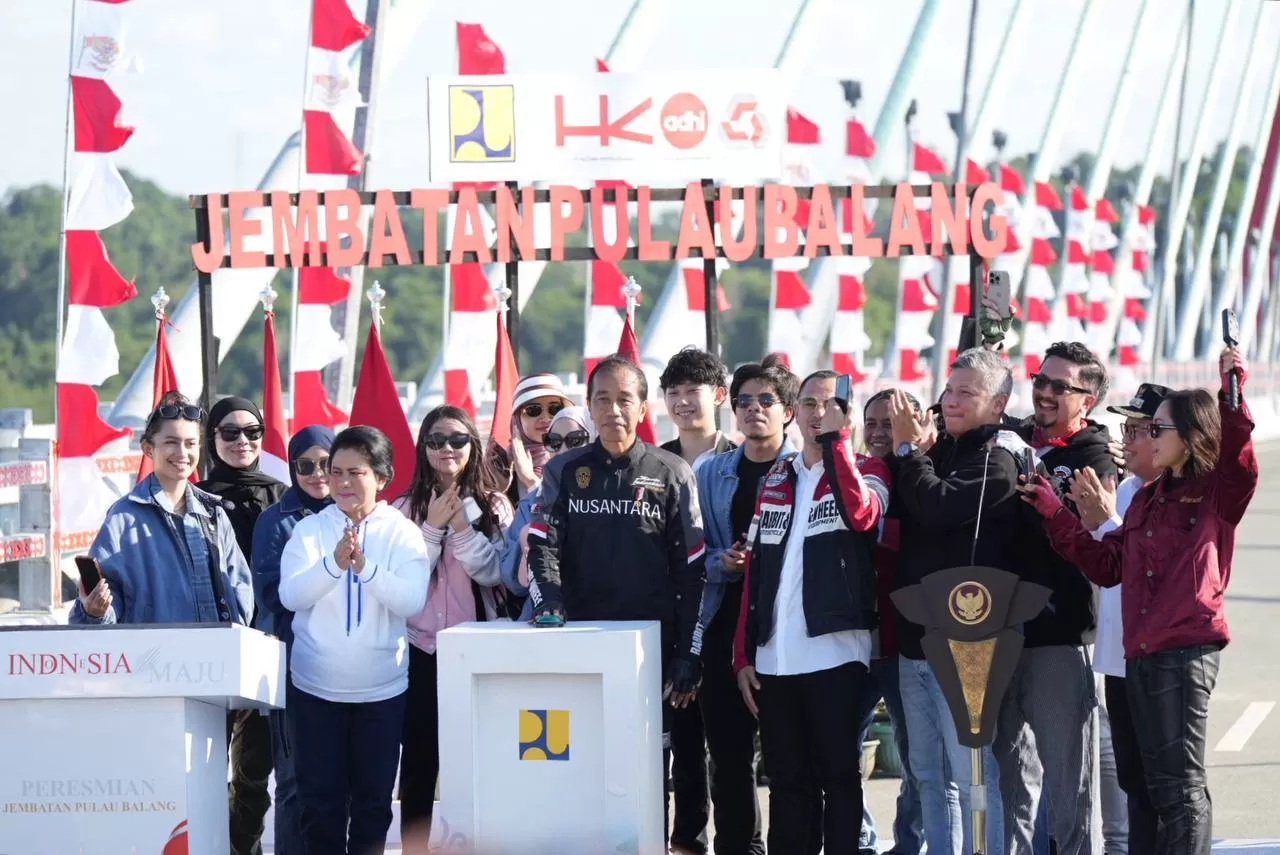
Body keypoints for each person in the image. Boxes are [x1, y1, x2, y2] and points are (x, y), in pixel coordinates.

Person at [1020, 347, 1258, 855]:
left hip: (1183, 652)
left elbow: (1239, 455)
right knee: (1141, 784)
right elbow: (1109, 565)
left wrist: (1231, 390)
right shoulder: (1148, 498)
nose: (1146, 437)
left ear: (1190, 437)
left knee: (1178, 789)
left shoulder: (1215, 491)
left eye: (1157, 429)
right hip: (1139, 655)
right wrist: (1055, 514)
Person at [525, 354, 707, 846]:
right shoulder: (564, 469)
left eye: (624, 398)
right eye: (601, 399)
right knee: (583, 765)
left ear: (643, 406)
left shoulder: (671, 472)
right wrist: (550, 606)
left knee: (651, 769)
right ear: (588, 405)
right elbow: (542, 545)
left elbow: (693, 574)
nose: (613, 409)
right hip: (581, 650)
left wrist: (688, 653)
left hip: (651, 652)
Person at [731, 369, 891, 855]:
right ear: (794, 411)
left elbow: (860, 515)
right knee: (785, 782)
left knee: (839, 779)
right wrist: (742, 656)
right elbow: (754, 572)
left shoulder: (870, 469)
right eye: (808, 403)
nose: (816, 413)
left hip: (836, 655)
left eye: (828, 404)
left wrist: (838, 444)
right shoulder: (777, 477)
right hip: (776, 659)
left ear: (844, 412)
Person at [887, 347, 1025, 855]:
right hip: (914, 640)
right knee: (925, 773)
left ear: (998, 403)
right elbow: (903, 502)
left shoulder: (1000, 458)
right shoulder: (939, 448)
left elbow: (939, 506)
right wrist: (909, 451)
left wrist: (908, 453)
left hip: (968, 644)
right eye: (949, 389)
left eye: (968, 392)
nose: (952, 400)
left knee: (975, 775)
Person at [279, 426, 431, 855]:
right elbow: (291, 595)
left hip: (381, 693)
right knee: (321, 807)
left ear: (381, 477)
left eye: (356, 472)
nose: (342, 482)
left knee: (373, 806)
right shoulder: (311, 531)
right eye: (336, 471)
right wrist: (333, 564)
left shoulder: (401, 532)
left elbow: (411, 600)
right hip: (315, 691)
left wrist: (364, 567)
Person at [995, 342, 1116, 855]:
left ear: (1086, 400)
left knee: (1070, 786)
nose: (1043, 393)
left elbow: (1099, 536)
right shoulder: (1011, 436)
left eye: (1059, 387)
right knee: (1006, 783)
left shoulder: (1093, 457)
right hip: (996, 634)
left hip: (1057, 636)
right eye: (1040, 380)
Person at [395, 405, 513, 853]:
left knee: (476, 761)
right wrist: (430, 529)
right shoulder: (402, 508)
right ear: (423, 447)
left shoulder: (494, 503)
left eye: (458, 440)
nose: (447, 449)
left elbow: (494, 574)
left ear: (473, 447)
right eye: (436, 440)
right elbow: (406, 577)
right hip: (418, 651)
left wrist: (461, 526)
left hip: (476, 653)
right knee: (420, 764)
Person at [695, 353, 799, 855]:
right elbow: (692, 551)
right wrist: (723, 561)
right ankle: (739, 847)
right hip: (722, 622)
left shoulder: (807, 472)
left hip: (785, 626)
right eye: (743, 402)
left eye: (766, 400)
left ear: (789, 411)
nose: (754, 409)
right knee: (728, 753)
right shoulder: (711, 472)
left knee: (786, 756)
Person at [1066, 383, 1172, 855]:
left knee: (1169, 783)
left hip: (1160, 662)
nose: (1124, 440)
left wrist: (1105, 522)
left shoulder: (1177, 495)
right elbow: (1107, 569)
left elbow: (1149, 568)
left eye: (1137, 429)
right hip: (1117, 658)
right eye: (1124, 428)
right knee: (1132, 777)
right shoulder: (1126, 489)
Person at [71, 392, 255, 628]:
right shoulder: (123, 518)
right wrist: (96, 611)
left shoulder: (214, 514)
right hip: (152, 659)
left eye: (190, 444)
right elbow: (103, 601)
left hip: (214, 658)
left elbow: (241, 589)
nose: (182, 453)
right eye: (171, 442)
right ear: (148, 449)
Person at [200, 396, 288, 855]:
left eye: (252, 432)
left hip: (264, 650)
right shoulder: (193, 498)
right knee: (204, 770)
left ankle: (241, 848)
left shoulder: (281, 494)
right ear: (211, 439)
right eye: (229, 433)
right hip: (207, 652)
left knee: (254, 774)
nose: (242, 441)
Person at [659, 345, 734, 855]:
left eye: (694, 391)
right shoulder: (654, 461)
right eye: (675, 392)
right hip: (671, 623)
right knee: (681, 749)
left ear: (720, 396)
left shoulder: (743, 454)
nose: (684, 402)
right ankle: (687, 843)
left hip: (729, 624)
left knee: (729, 753)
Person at [249, 425, 336, 855]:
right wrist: (329, 581)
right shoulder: (276, 519)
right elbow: (268, 591)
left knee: (340, 777)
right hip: (292, 661)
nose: (318, 473)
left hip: (346, 663)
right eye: (305, 465)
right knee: (294, 779)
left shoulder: (355, 510)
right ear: (293, 467)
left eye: (327, 463)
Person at [857, 389, 926, 855]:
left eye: (891, 422)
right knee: (842, 754)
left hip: (907, 643)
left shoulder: (923, 478)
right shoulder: (852, 478)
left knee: (919, 759)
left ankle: (908, 843)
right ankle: (860, 838)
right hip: (856, 641)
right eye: (873, 423)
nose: (881, 432)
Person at [500, 406, 595, 622]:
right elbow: (513, 582)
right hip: (542, 622)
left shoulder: (612, 497)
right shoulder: (531, 503)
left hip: (599, 621)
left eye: (576, 439)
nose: (562, 450)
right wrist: (527, 547)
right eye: (554, 441)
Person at [506, 373, 574, 502]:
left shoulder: (576, 460)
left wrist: (530, 480)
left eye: (554, 409)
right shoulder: (501, 464)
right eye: (533, 410)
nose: (545, 418)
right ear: (517, 419)